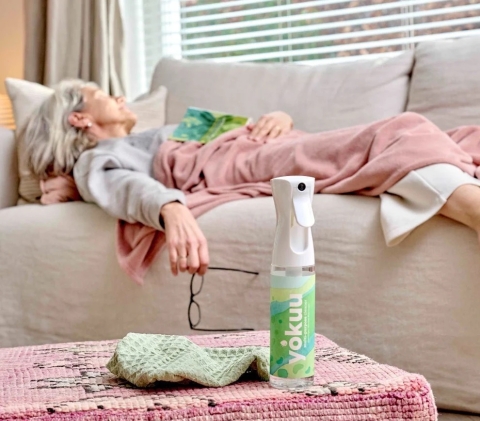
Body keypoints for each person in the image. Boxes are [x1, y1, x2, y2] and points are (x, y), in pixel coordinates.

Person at [24, 79, 480, 278]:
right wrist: (171, 208)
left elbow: (248, 125)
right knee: (401, 131)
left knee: (457, 138)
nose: (121, 97)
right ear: (80, 118)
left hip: (258, 145)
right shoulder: (99, 158)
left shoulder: (166, 129)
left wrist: (279, 117)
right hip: (228, 161)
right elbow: (126, 189)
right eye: (104, 94)